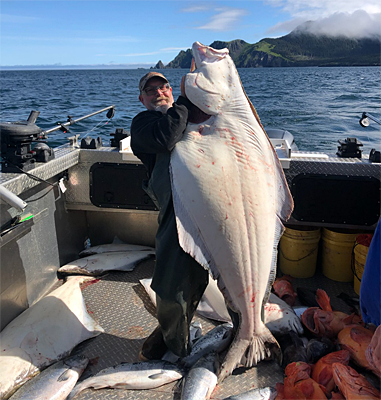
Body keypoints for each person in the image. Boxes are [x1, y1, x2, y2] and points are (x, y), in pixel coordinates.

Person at [130, 72, 209, 360]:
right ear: (142, 99)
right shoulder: (143, 124)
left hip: (209, 204)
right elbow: (166, 137)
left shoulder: (193, 118)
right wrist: (186, 102)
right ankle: (171, 340)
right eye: (150, 90)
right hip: (176, 213)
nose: (158, 92)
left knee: (204, 275)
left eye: (163, 86)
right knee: (171, 280)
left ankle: (242, 331)